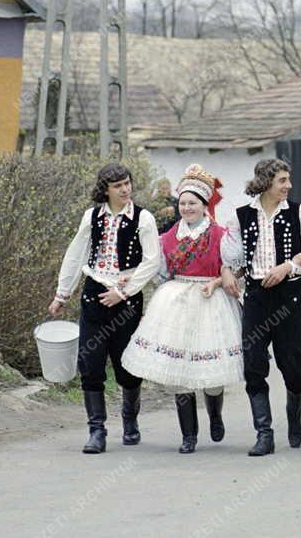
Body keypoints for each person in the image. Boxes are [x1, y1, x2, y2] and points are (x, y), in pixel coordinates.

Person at [121, 165, 244, 453]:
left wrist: (216, 281)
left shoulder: (221, 235)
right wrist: (132, 276)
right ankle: (188, 435)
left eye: (193, 203)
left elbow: (235, 270)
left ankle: (215, 414)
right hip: (175, 300)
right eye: (183, 203)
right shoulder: (166, 238)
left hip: (210, 301)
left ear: (204, 205)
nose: (187, 208)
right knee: (179, 373)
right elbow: (158, 270)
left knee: (211, 377)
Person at [49, 163, 161, 454]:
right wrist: (62, 294)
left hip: (127, 297)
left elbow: (152, 261)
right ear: (106, 189)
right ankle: (96, 430)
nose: (125, 190)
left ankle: (130, 419)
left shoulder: (143, 218)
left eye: (127, 183)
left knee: (127, 366)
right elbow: (76, 255)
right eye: (118, 186)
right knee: (91, 363)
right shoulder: (92, 217)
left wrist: (123, 291)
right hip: (94, 294)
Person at [223, 159, 301, 456]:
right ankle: (264, 433)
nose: (288, 185)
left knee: (292, 366)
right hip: (255, 298)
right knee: (254, 364)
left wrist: (288, 266)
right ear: (266, 182)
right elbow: (233, 258)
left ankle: (294, 416)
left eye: (287, 180)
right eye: (282, 180)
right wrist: (228, 271)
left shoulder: (299, 212)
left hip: (289, 296)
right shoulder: (241, 216)